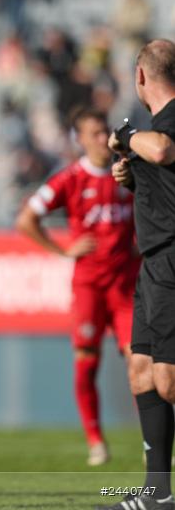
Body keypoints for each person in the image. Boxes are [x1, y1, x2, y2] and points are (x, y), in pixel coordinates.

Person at [16, 107, 139, 467]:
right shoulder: (69, 179)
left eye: (105, 131)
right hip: (89, 287)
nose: (103, 139)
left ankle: (154, 443)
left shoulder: (128, 172)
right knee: (86, 363)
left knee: (141, 362)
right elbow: (26, 219)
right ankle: (96, 441)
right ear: (80, 139)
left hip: (126, 286)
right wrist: (62, 250)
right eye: (95, 133)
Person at [97, 40, 175, 510]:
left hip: (171, 260)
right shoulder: (156, 128)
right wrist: (134, 178)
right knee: (141, 370)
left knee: (169, 380)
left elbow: (162, 150)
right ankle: (157, 494)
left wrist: (125, 136)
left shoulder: (165, 124)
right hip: (152, 262)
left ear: (141, 77)